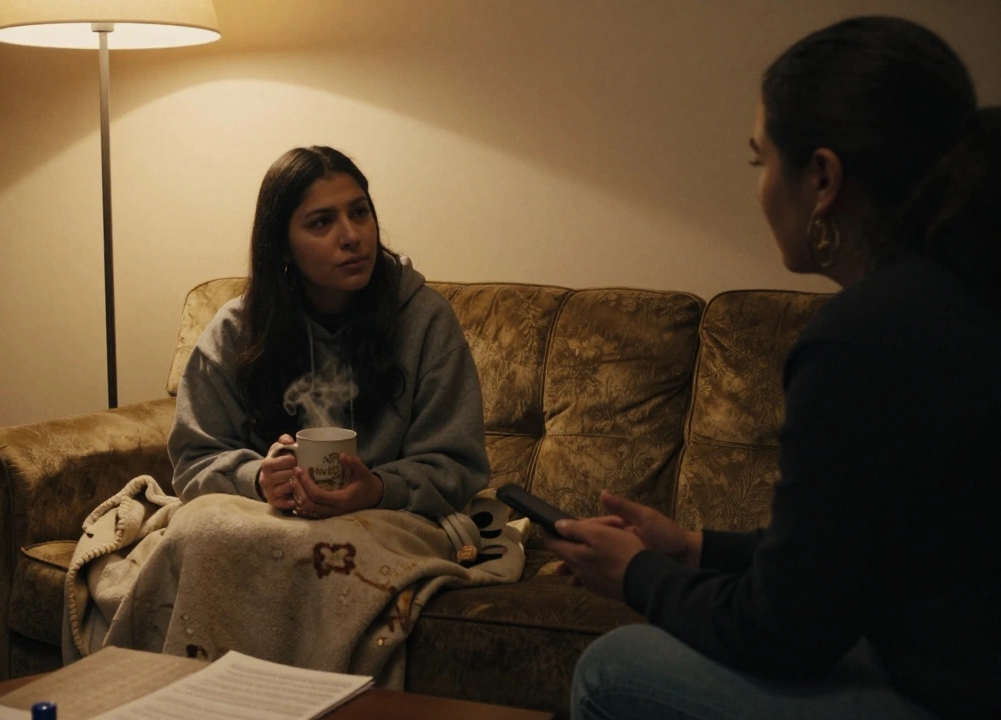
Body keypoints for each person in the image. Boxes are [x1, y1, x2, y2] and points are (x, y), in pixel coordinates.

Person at [543, 16, 1001, 720]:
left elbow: (783, 633)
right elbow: (842, 554)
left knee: (613, 668)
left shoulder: (865, 339)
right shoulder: (960, 291)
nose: (760, 187)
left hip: (950, 696)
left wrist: (638, 575)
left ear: (821, 178)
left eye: (760, 162)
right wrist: (693, 547)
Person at [168, 145, 490, 520]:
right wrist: (257, 479)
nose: (352, 235)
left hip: (389, 523)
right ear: (283, 247)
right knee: (198, 536)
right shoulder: (236, 330)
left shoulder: (425, 320)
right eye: (322, 222)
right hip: (264, 524)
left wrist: (381, 489)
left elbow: (459, 466)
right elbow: (193, 463)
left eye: (359, 212)